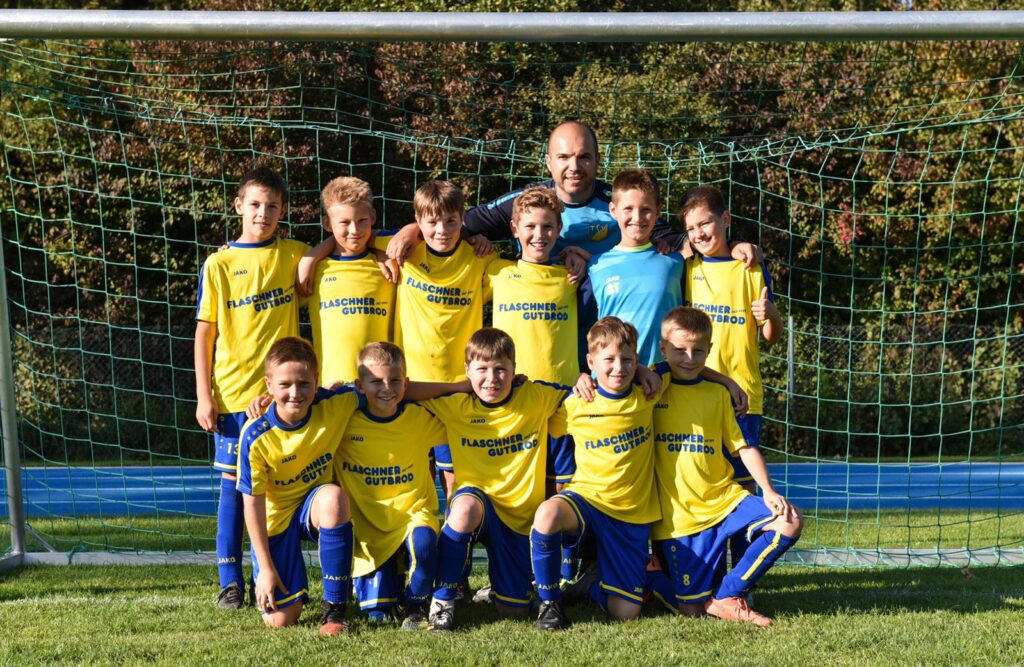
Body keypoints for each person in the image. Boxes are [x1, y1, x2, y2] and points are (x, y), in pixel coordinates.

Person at [194, 167, 308, 609]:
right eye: (255, 204)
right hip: (233, 397)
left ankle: (275, 571)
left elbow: (340, 243)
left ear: (283, 211)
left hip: (283, 398)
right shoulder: (218, 263)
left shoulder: (293, 254)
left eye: (272, 206)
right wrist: (204, 396)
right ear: (239, 205)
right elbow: (205, 333)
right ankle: (230, 582)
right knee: (232, 488)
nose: (263, 213)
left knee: (279, 485)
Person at [647, 307, 800, 627]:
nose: (689, 358)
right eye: (679, 350)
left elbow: (744, 447)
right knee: (691, 611)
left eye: (698, 351)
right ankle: (648, 575)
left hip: (725, 501)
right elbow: (633, 373)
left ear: (709, 350)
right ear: (664, 348)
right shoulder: (653, 388)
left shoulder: (718, 394)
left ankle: (729, 594)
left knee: (789, 521)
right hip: (680, 520)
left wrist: (768, 491)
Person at [420, 328, 573, 631]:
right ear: (467, 370)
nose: (492, 379)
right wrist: (459, 386)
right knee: (464, 508)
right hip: (477, 503)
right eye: (482, 369)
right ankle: (442, 602)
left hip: (518, 519)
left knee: (512, 610)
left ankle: (497, 589)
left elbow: (587, 393)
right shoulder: (455, 404)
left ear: (515, 369)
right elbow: (403, 390)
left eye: (501, 369)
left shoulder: (536, 396)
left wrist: (583, 379)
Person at [530, 317, 669, 630]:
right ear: (591, 362)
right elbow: (528, 403)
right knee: (547, 514)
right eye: (609, 360)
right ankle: (549, 603)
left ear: (637, 360)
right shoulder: (575, 403)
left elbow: (683, 364)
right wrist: (578, 377)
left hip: (630, 513)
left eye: (627, 360)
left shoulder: (648, 392)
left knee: (626, 613)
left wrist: (644, 370)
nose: (619, 367)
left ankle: (590, 585)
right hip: (588, 498)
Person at [679, 184, 783, 566]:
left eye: (705, 223)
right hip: (696, 395)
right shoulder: (687, 269)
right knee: (700, 484)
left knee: (742, 489)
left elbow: (770, 335)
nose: (699, 233)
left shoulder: (751, 268)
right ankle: (700, 572)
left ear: (725, 220)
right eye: (691, 228)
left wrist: (771, 316)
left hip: (742, 396)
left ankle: (740, 576)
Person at [236, 337, 363, 635]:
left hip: (314, 505)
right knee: (280, 620)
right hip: (276, 519)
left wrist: (462, 386)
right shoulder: (255, 435)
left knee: (334, 498)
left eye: (304, 384)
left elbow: (385, 388)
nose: (295, 393)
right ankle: (273, 578)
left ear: (316, 380)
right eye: (285, 385)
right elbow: (252, 505)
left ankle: (335, 609)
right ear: (268, 385)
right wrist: (266, 569)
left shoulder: (336, 403)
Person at [335, 342, 448, 630]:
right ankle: (385, 586)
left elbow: (468, 414)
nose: (387, 388)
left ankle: (416, 605)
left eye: (395, 381)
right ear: (359, 385)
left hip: (412, 514)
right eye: (376, 381)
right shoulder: (343, 421)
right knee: (379, 615)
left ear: (406, 383)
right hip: (368, 526)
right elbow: (304, 406)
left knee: (424, 541)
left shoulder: (420, 418)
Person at [587, 169, 684, 365]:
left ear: (658, 211)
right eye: (628, 209)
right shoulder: (595, 266)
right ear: (613, 210)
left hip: (662, 375)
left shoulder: (675, 261)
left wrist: (735, 245)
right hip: (614, 375)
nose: (637, 217)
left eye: (645, 209)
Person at [487, 186, 581, 386]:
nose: (539, 235)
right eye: (530, 226)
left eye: (547, 226)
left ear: (559, 228)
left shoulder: (572, 275)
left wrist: (584, 257)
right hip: (510, 389)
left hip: (562, 391)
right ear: (515, 229)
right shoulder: (496, 271)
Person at [307, 176, 396, 386]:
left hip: (382, 388)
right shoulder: (314, 269)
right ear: (327, 223)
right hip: (331, 387)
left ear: (373, 217)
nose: (355, 230)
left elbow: (419, 235)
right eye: (344, 223)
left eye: (361, 220)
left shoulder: (390, 266)